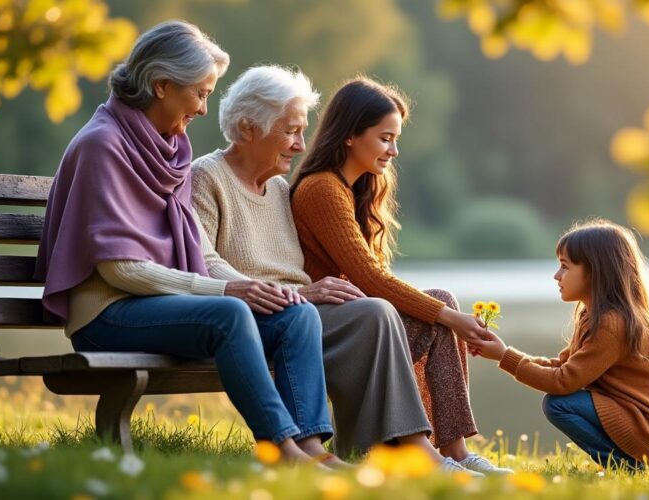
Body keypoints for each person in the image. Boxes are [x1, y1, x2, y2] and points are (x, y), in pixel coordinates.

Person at [34, 21, 338, 468]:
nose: (202, 108)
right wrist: (227, 291)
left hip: (161, 306)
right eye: (199, 93)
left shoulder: (169, 147)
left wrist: (252, 286)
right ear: (161, 85)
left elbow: (196, 251)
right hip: (107, 315)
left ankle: (312, 449)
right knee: (229, 313)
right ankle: (281, 448)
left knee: (296, 314)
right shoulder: (102, 145)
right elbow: (119, 270)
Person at [192, 65, 471, 472]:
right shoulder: (209, 176)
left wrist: (313, 290)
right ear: (250, 128)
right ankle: (407, 447)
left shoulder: (280, 189)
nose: (299, 144)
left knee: (414, 305)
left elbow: (311, 269)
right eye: (290, 132)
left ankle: (445, 449)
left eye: (302, 131)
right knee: (377, 310)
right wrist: (303, 293)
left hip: (302, 312)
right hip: (263, 316)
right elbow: (204, 262)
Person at [290, 77, 510, 474]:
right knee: (439, 310)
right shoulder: (322, 188)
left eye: (396, 139)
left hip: (360, 319)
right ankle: (418, 449)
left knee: (440, 299)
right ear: (350, 136)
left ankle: (456, 452)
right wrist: (452, 321)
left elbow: (374, 278)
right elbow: (369, 279)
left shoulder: (357, 189)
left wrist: (445, 314)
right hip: (326, 326)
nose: (393, 150)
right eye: (385, 138)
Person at [469, 219, 649, 469]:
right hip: (646, 426)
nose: (556, 275)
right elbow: (564, 365)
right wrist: (503, 353)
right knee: (561, 401)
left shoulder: (612, 324)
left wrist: (505, 357)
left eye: (565, 267)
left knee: (558, 404)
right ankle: (630, 465)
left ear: (596, 272)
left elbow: (563, 381)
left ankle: (628, 468)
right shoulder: (595, 316)